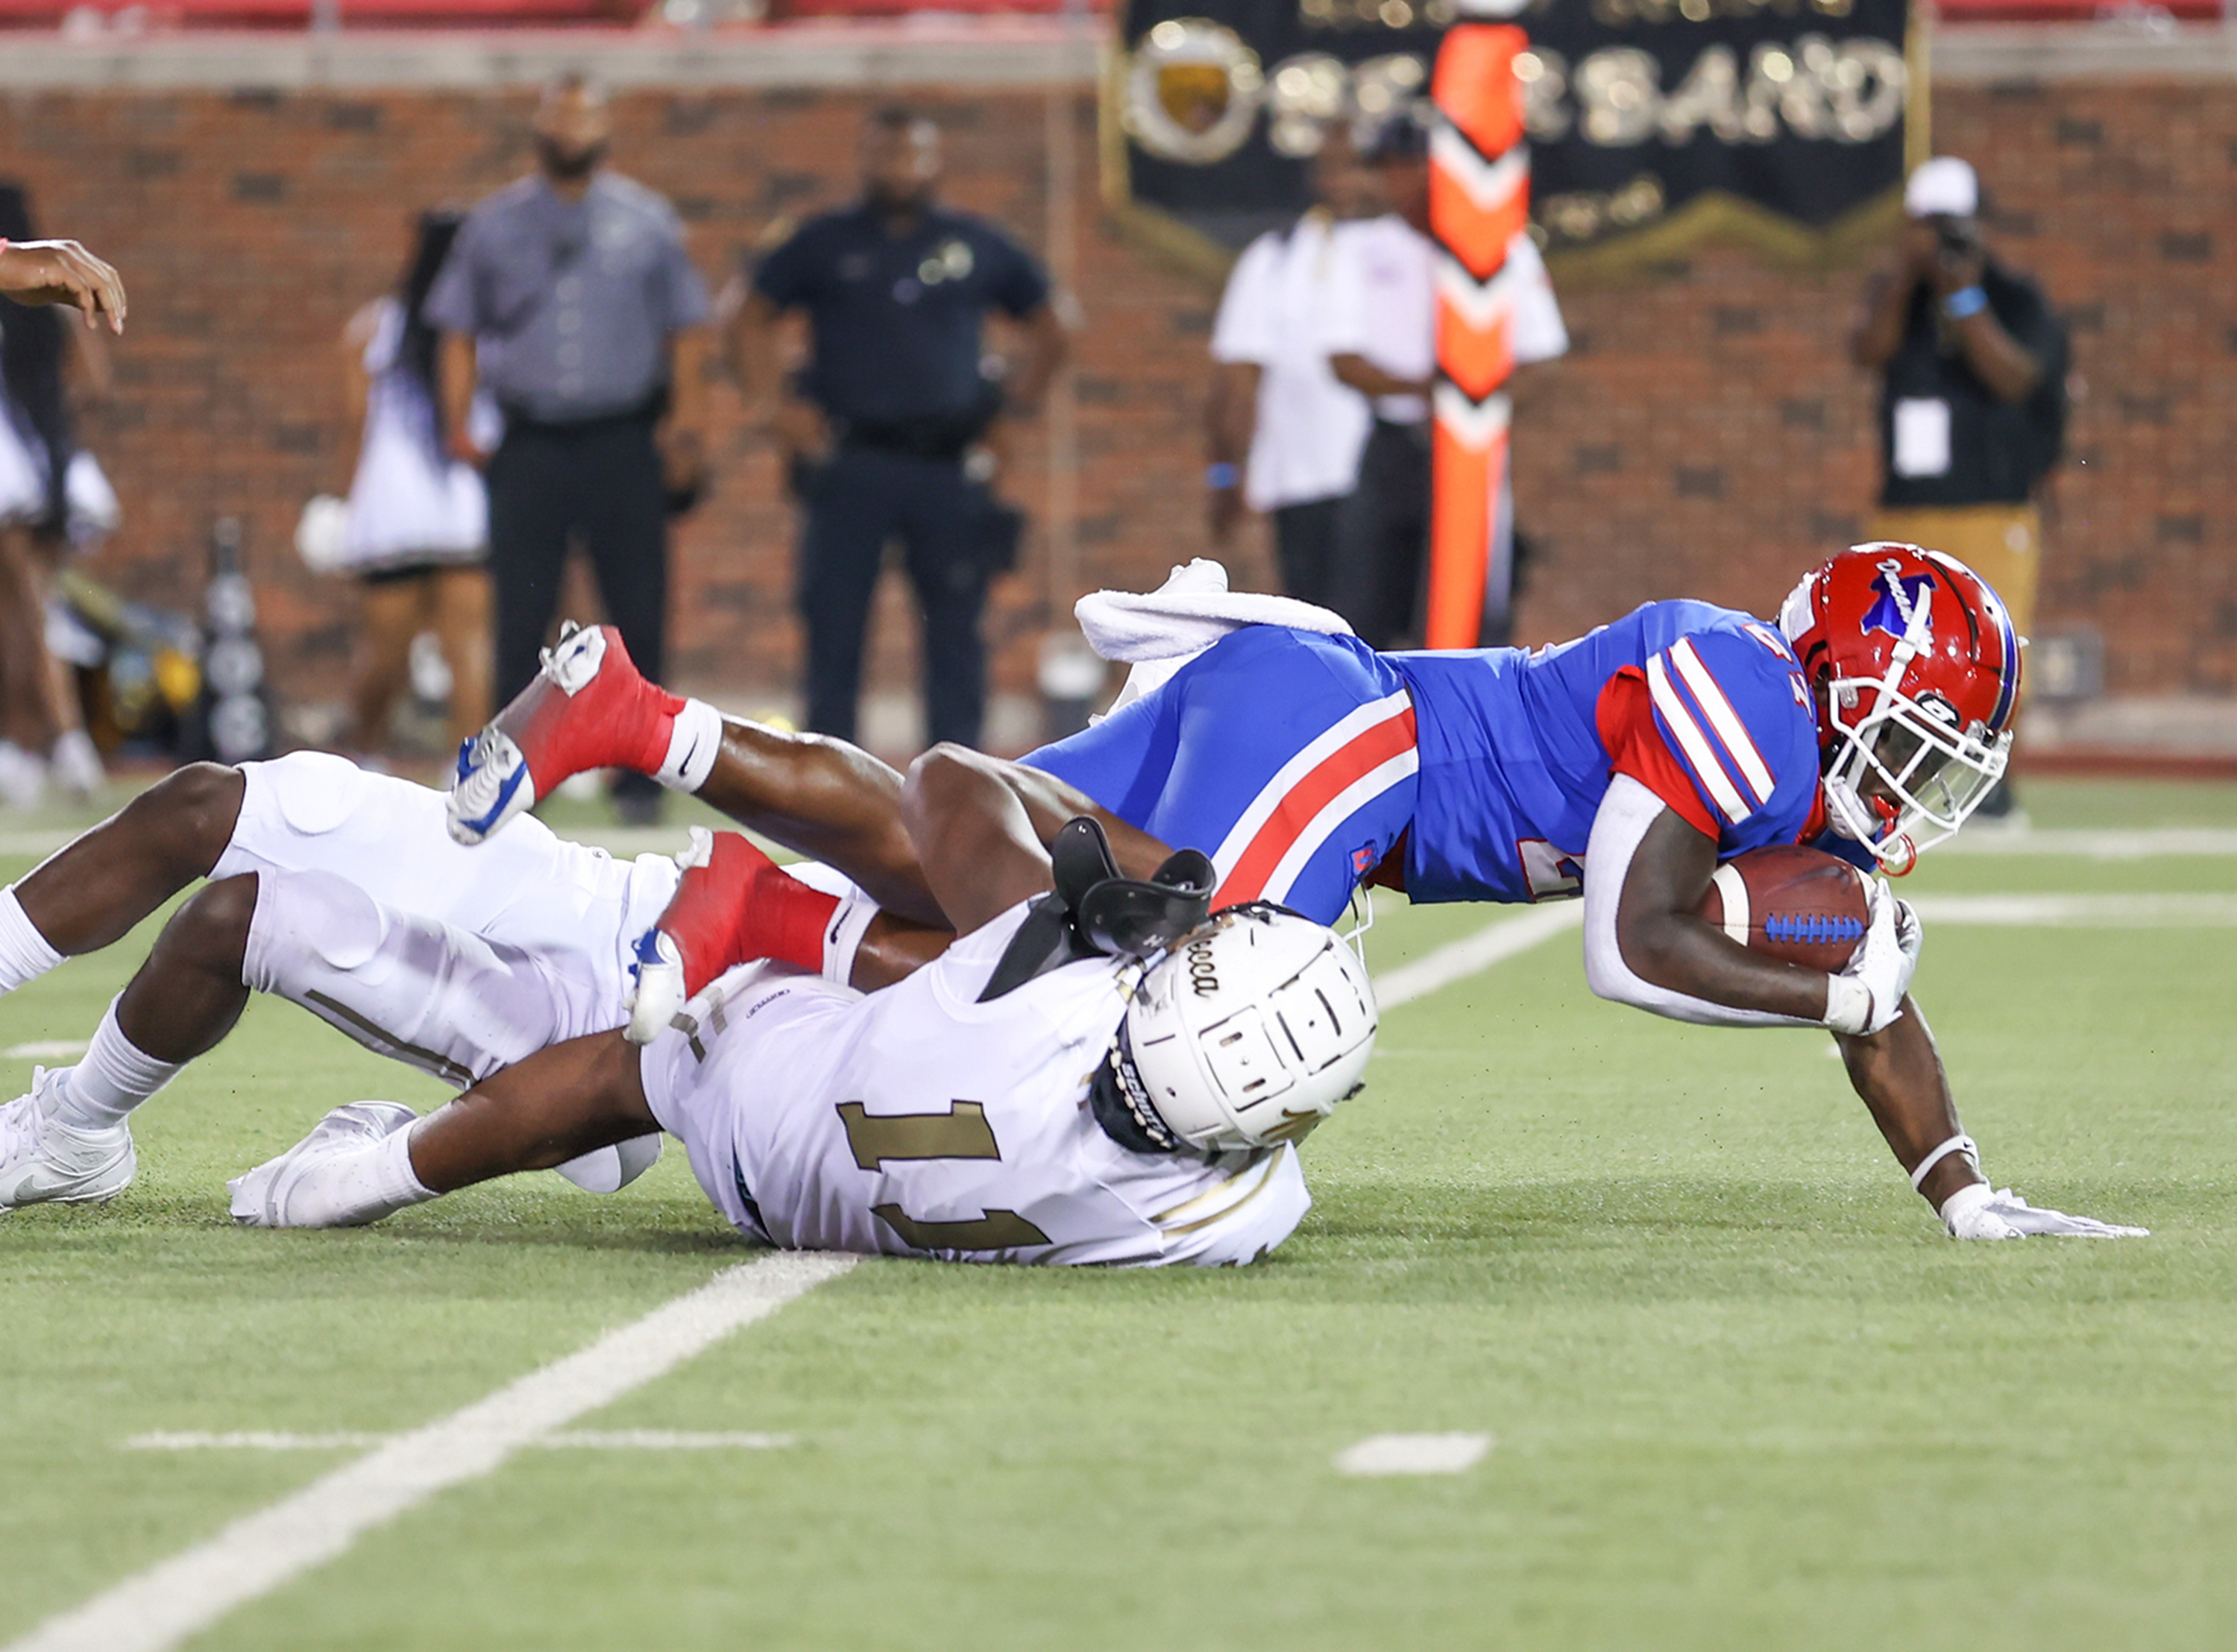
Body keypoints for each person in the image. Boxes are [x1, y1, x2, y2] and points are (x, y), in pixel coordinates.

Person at [448, 542, 2145, 1243]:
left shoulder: (1794, 751)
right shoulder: (1744, 693)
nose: (1925, 786)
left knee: (953, 838)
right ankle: (755, 926)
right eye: (1917, 740)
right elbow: (1632, 950)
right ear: (1847, 682)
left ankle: (643, 722)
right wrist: (1828, 984)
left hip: (1316, 725)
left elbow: (1873, 981)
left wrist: (1959, 1187)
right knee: (1092, 989)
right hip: (1354, 742)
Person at [0, 741, 1374, 1268]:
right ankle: (85, 1129)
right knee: (222, 813)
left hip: (653, 1007)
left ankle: (73, 1130)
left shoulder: (1024, 998)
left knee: (235, 896)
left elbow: (935, 794)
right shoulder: (1202, 1197)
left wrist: (1179, 892)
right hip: (668, 960)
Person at [729, 106, 1068, 751]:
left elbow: (1052, 323)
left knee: (957, 631)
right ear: (865, 159)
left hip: (948, 464)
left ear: (934, 160)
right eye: (887, 154)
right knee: (833, 625)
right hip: (851, 460)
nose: (900, 168)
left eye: (913, 154)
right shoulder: (825, 242)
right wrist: (773, 409)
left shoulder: (973, 243)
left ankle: (958, 772)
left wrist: (1013, 405)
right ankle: (827, 776)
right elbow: (746, 316)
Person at [425, 72, 711, 824]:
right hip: (530, 441)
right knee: (520, 615)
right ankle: (516, 779)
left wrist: (685, 426)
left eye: (586, 118)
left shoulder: (648, 220)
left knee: (638, 613)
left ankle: (642, 781)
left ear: (606, 128)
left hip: (624, 437)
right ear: (540, 125)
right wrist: (458, 421)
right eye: (561, 117)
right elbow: (455, 328)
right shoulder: (492, 224)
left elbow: (687, 330)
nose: (573, 131)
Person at [1851, 157, 2068, 819]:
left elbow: (2016, 377)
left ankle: (1993, 786)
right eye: (1925, 225)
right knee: (1886, 648)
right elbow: (1869, 351)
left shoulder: (2012, 295)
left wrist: (1964, 295)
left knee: (1995, 644)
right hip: (1906, 506)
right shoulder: (1898, 297)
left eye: (1949, 225)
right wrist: (1908, 276)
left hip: (1990, 504)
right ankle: (1880, 784)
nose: (1937, 238)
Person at [1321, 114, 1567, 649]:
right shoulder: (1361, 247)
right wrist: (1430, 394)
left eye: (1412, 167)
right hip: (1394, 442)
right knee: (1366, 596)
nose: (1400, 181)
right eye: (1390, 169)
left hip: (1472, 446)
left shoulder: (1502, 248)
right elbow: (1342, 358)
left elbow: (1540, 357)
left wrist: (1472, 406)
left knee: (1471, 599)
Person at [333, 209, 494, 759]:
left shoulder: (373, 328)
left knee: (383, 650)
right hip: (465, 504)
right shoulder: (487, 329)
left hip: (394, 507)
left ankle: (363, 756)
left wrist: (346, 500)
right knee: (468, 645)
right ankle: (468, 768)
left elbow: (356, 425)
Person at [1204, 125, 1378, 606]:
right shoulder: (1276, 258)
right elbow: (1238, 378)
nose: (1348, 180)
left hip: (1404, 477)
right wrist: (1224, 473)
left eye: (1362, 164)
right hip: (1305, 481)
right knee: (1323, 625)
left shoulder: (1414, 252)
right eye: (1334, 166)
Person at [0, 186, 122, 808]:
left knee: (24, 611)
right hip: (47, 458)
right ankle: (34, 746)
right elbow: (94, 380)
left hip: (14, 464)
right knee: (26, 609)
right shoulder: (46, 301)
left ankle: (61, 741)